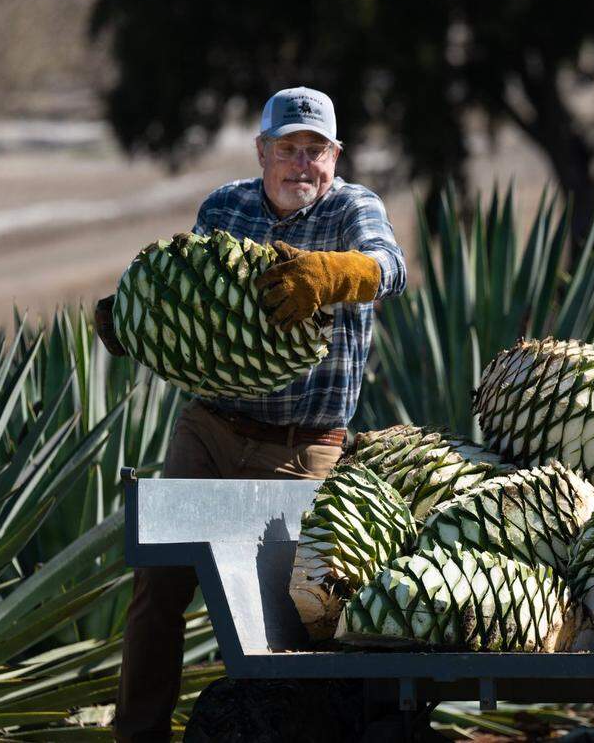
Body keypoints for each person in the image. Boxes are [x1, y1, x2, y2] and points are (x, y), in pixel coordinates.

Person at [94, 86, 407, 742]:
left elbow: (389, 266)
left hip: (304, 447)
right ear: (262, 151)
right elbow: (193, 299)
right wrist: (135, 318)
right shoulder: (226, 206)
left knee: (302, 610)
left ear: (335, 155)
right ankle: (139, 733)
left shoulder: (352, 209)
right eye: (287, 149)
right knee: (159, 585)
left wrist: (328, 274)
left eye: (314, 151)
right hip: (209, 431)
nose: (301, 164)